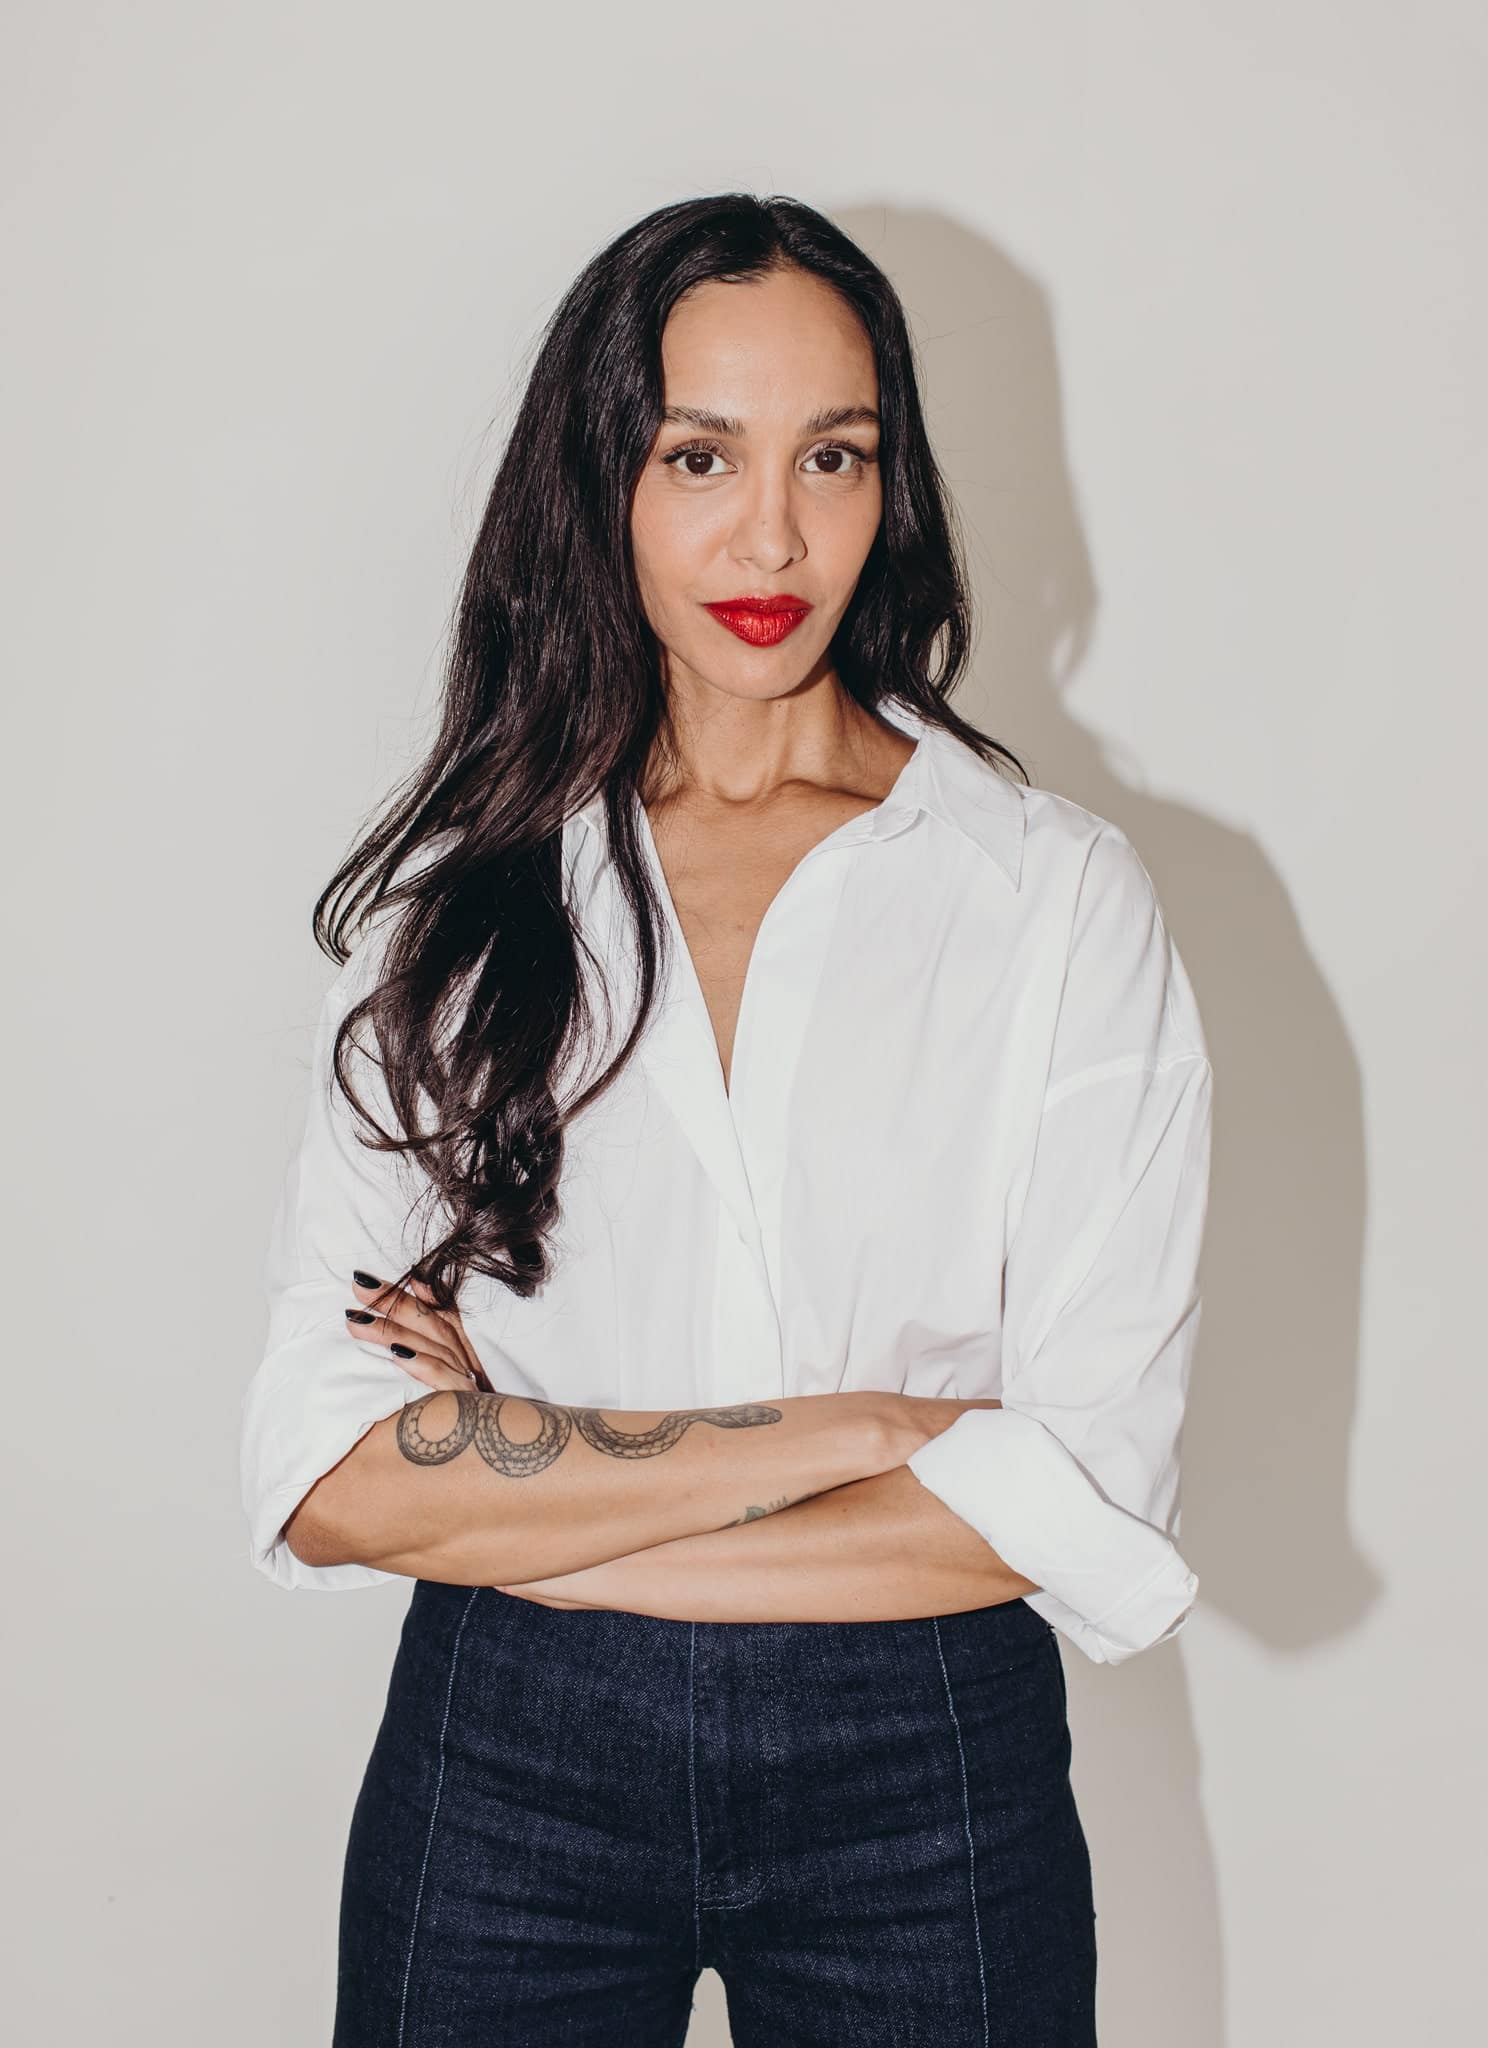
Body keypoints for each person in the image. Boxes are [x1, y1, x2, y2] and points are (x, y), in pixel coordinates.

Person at [238, 192, 1213, 2045]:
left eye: (830, 457)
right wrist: (878, 1432)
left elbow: (1078, 1493)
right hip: (510, 1759)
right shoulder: (450, 909)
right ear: (601, 478)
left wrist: (518, 1471)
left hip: (921, 1764)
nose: (772, 533)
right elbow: (334, 1468)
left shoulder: (1052, 901)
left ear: (891, 484)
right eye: (701, 454)